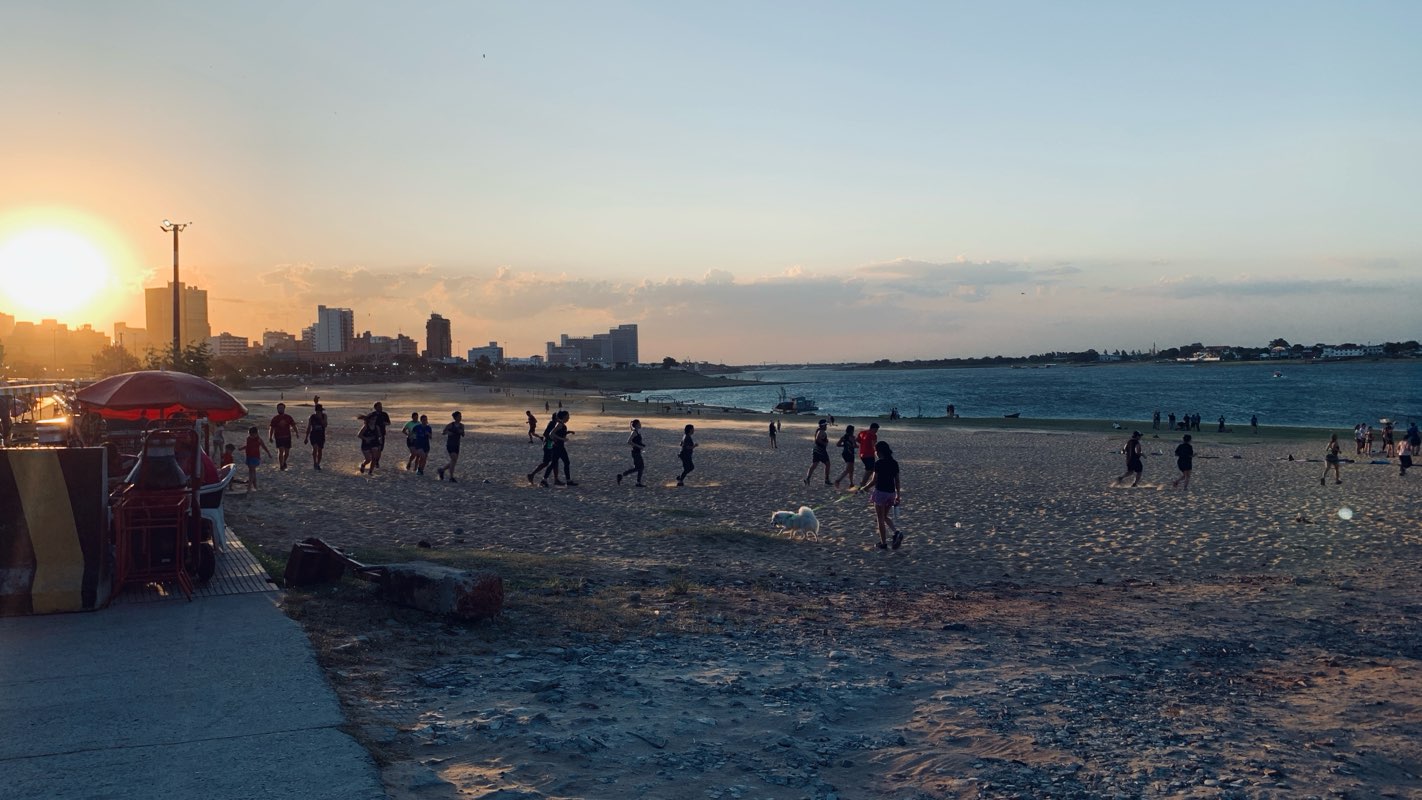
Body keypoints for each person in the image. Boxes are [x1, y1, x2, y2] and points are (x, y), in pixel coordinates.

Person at [863, 440, 903, 550]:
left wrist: (864, 488)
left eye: (876, 451)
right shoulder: (894, 463)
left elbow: (874, 480)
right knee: (884, 516)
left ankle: (883, 543)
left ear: (880, 452)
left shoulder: (879, 463)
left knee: (880, 519)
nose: (875, 452)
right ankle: (896, 532)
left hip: (880, 493)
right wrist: (898, 495)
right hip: (891, 493)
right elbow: (897, 481)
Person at [539, 410, 575, 486]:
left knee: (561, 462)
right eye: (568, 416)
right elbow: (551, 434)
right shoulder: (559, 424)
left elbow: (559, 433)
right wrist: (562, 439)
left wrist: (568, 432)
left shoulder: (560, 424)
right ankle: (544, 480)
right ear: (564, 417)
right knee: (558, 463)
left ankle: (567, 481)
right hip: (557, 447)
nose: (569, 418)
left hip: (559, 447)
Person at [616, 419, 646, 487]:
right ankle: (637, 482)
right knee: (640, 467)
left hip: (637, 452)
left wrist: (641, 445)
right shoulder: (634, 432)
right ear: (636, 425)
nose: (640, 424)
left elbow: (635, 441)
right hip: (635, 453)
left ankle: (622, 475)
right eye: (639, 423)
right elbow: (629, 441)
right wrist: (638, 446)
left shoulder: (637, 432)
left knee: (638, 468)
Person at [268, 402, 298, 471]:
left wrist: (296, 433)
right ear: (277, 409)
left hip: (287, 436)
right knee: (280, 451)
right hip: (278, 437)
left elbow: (293, 425)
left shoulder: (288, 417)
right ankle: (281, 465)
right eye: (279, 408)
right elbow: (271, 428)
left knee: (287, 452)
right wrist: (270, 437)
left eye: (281, 408)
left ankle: (284, 461)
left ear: (284, 409)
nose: (280, 409)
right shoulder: (275, 418)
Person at [437, 411, 465, 482]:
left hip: (457, 445)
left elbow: (463, 434)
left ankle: (442, 470)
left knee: (454, 461)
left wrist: (461, 431)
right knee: (454, 459)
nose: (460, 417)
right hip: (450, 444)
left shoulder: (462, 425)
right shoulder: (450, 425)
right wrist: (448, 432)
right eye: (459, 416)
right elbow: (443, 432)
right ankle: (451, 477)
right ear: (455, 417)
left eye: (461, 416)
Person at [243, 426, 272, 493]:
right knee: (252, 471)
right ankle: (255, 486)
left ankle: (249, 487)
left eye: (252, 434)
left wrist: (268, 453)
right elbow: (248, 446)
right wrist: (242, 448)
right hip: (249, 456)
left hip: (255, 457)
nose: (251, 435)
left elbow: (264, 446)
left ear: (256, 433)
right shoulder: (248, 438)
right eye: (250, 434)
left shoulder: (259, 440)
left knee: (252, 471)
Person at [804, 419, 832, 485]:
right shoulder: (821, 431)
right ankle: (826, 480)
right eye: (825, 425)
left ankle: (807, 478)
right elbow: (817, 440)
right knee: (827, 464)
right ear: (822, 426)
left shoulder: (819, 431)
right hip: (821, 450)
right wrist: (824, 443)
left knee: (814, 464)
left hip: (816, 449)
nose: (826, 426)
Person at [833, 424, 857, 489]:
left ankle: (851, 483)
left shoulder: (844, 437)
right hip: (850, 454)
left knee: (851, 469)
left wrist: (845, 445)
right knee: (848, 469)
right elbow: (854, 446)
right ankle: (838, 480)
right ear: (852, 431)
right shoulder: (852, 437)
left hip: (845, 453)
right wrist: (857, 446)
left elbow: (838, 444)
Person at [856, 422, 880, 486]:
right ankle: (863, 484)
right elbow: (873, 445)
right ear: (873, 428)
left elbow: (857, 440)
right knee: (869, 470)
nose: (876, 431)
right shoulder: (873, 435)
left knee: (871, 469)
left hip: (862, 454)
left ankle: (872, 482)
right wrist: (877, 452)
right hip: (869, 454)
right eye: (876, 429)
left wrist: (864, 443)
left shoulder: (862, 432)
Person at [305, 403, 327, 470]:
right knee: (315, 448)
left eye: (320, 411)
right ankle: (314, 462)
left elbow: (325, 425)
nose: (319, 412)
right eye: (318, 411)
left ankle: (318, 463)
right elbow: (309, 427)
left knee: (320, 450)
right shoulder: (312, 417)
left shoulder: (324, 416)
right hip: (314, 434)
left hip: (321, 435)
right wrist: (306, 437)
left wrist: (321, 418)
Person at [370, 402, 392, 468]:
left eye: (381, 406)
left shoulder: (384, 414)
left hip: (382, 434)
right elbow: (366, 422)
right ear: (375, 407)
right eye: (379, 407)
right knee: (373, 449)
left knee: (380, 449)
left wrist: (384, 423)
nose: (381, 408)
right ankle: (372, 460)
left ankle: (377, 462)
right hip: (372, 434)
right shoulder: (372, 414)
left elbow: (389, 423)